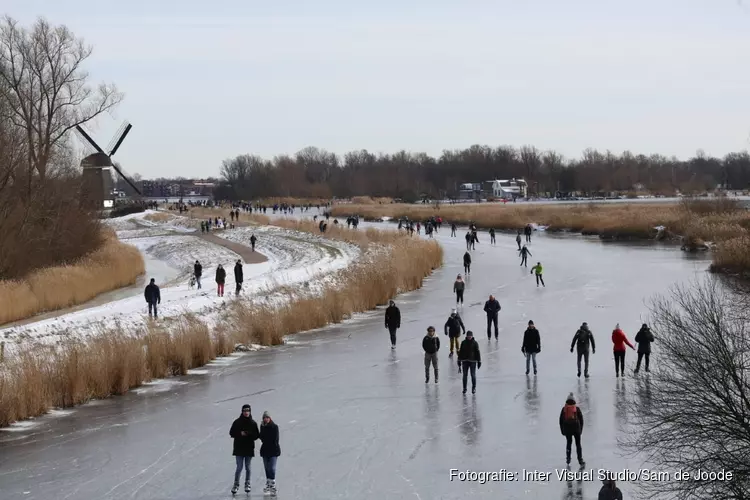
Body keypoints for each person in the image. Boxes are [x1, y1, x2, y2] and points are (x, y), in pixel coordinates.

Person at [229, 404, 260, 494]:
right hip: (239, 448)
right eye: (245, 411)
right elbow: (231, 433)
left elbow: (256, 435)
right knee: (239, 467)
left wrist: (248, 433)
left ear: (250, 412)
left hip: (249, 448)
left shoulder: (253, 423)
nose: (246, 412)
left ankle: (247, 483)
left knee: (248, 467)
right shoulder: (237, 422)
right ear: (242, 412)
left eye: (248, 411)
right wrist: (240, 433)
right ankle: (236, 484)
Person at [559, 392, 585, 467]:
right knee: (578, 444)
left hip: (567, 429)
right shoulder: (576, 409)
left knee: (569, 443)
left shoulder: (564, 409)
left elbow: (560, 421)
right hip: (576, 429)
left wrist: (563, 431)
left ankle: (568, 459)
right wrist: (580, 430)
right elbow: (581, 420)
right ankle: (580, 460)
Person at [259, 411, 280, 496]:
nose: (266, 419)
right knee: (267, 468)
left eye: (267, 417)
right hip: (265, 451)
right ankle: (268, 484)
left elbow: (275, 439)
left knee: (272, 468)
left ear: (270, 418)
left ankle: (273, 484)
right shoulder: (262, 427)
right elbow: (262, 438)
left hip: (273, 450)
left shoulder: (274, 427)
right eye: (264, 418)